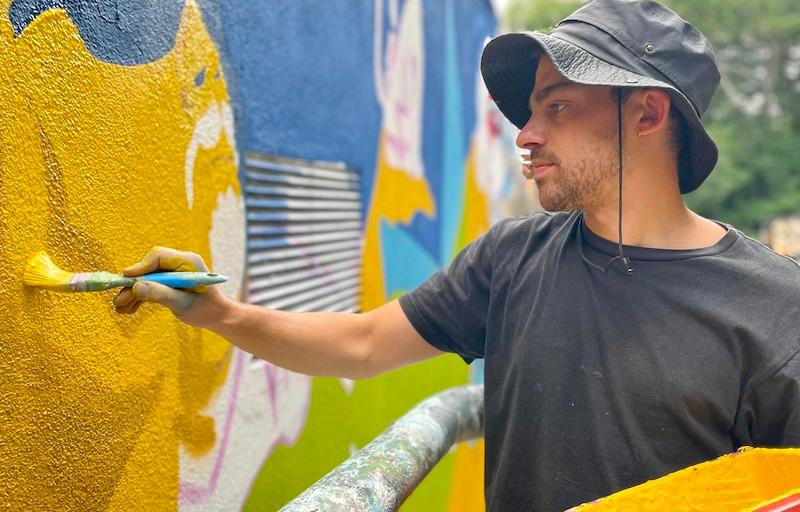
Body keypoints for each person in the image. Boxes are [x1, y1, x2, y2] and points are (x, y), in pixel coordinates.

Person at [114, 0, 800, 510]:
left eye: (558, 107)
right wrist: (219, 313)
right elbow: (361, 345)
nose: (525, 134)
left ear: (648, 114)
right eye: (528, 111)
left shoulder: (776, 310)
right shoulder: (511, 258)